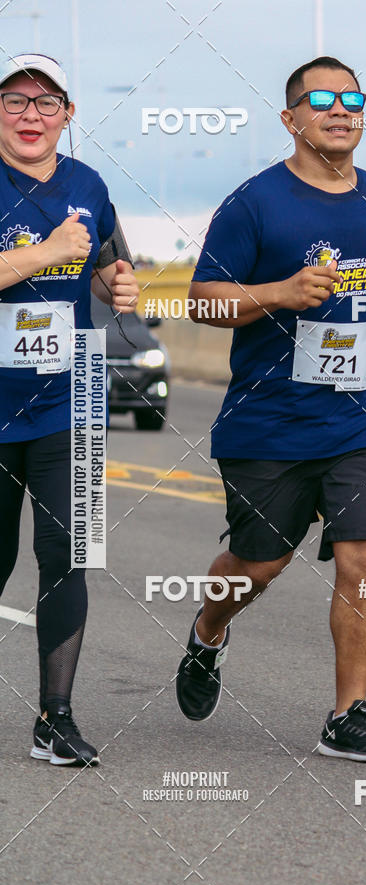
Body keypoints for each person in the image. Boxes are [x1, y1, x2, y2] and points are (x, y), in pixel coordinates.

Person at [175, 56, 366, 763]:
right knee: (258, 567)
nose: (341, 108)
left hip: (359, 419)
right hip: (267, 422)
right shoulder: (254, 202)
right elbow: (203, 300)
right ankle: (207, 632)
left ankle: (347, 714)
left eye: (353, 97)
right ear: (291, 119)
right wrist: (282, 293)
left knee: (365, 557)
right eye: (321, 99)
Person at [0, 53, 139, 766]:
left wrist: (122, 281)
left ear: (67, 115)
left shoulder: (87, 184)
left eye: (46, 102)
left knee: (67, 557)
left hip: (68, 402)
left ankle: (55, 720)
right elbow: (57, 250)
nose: (31, 115)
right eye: (17, 101)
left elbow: (112, 250)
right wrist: (46, 251)